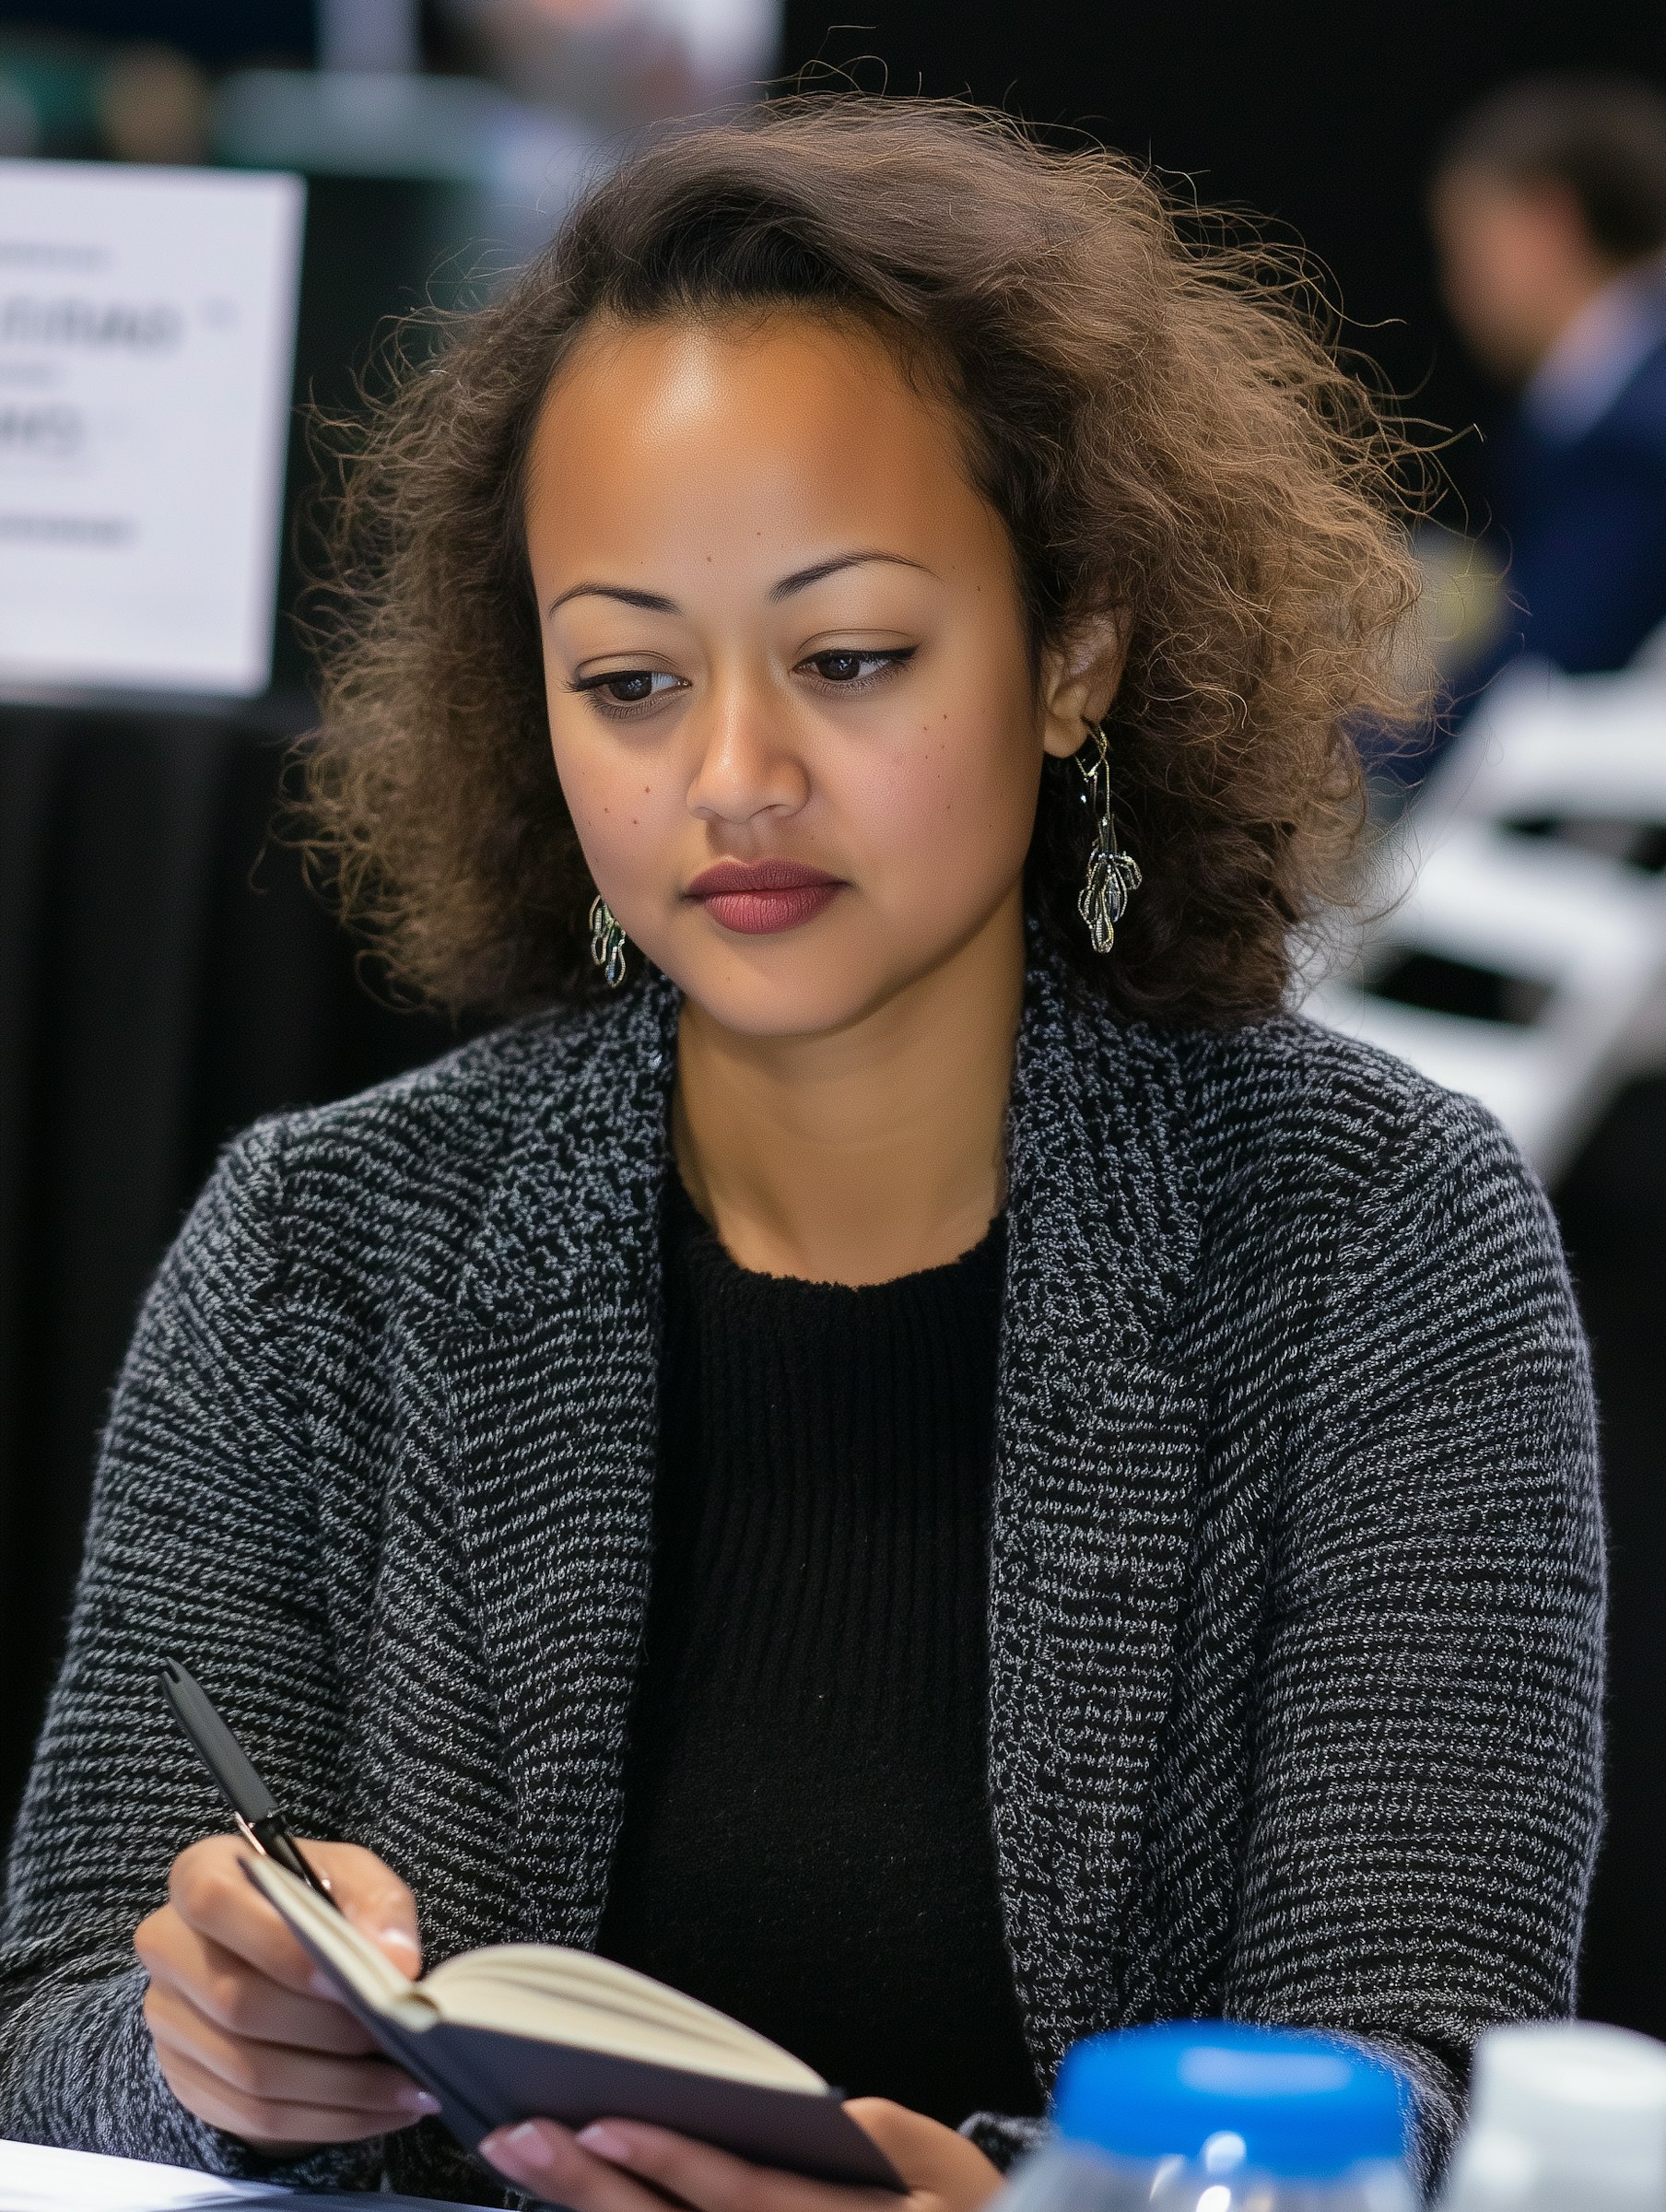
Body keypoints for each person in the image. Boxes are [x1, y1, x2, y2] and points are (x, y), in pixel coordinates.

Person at [0, 99, 1601, 2210]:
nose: (733, 775)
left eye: (849, 658)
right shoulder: (321, 1246)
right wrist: (212, 2041)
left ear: (1074, 647)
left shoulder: (1373, 1240)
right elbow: (53, 2018)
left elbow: (1427, 2064)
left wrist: (1010, 2199)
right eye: (629, 677)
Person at [1430, 71, 1666, 690]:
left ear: (1549, 223)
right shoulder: (1608, 401)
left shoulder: (1632, 434)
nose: (1456, 292)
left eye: (1468, 251)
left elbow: (1536, 667)